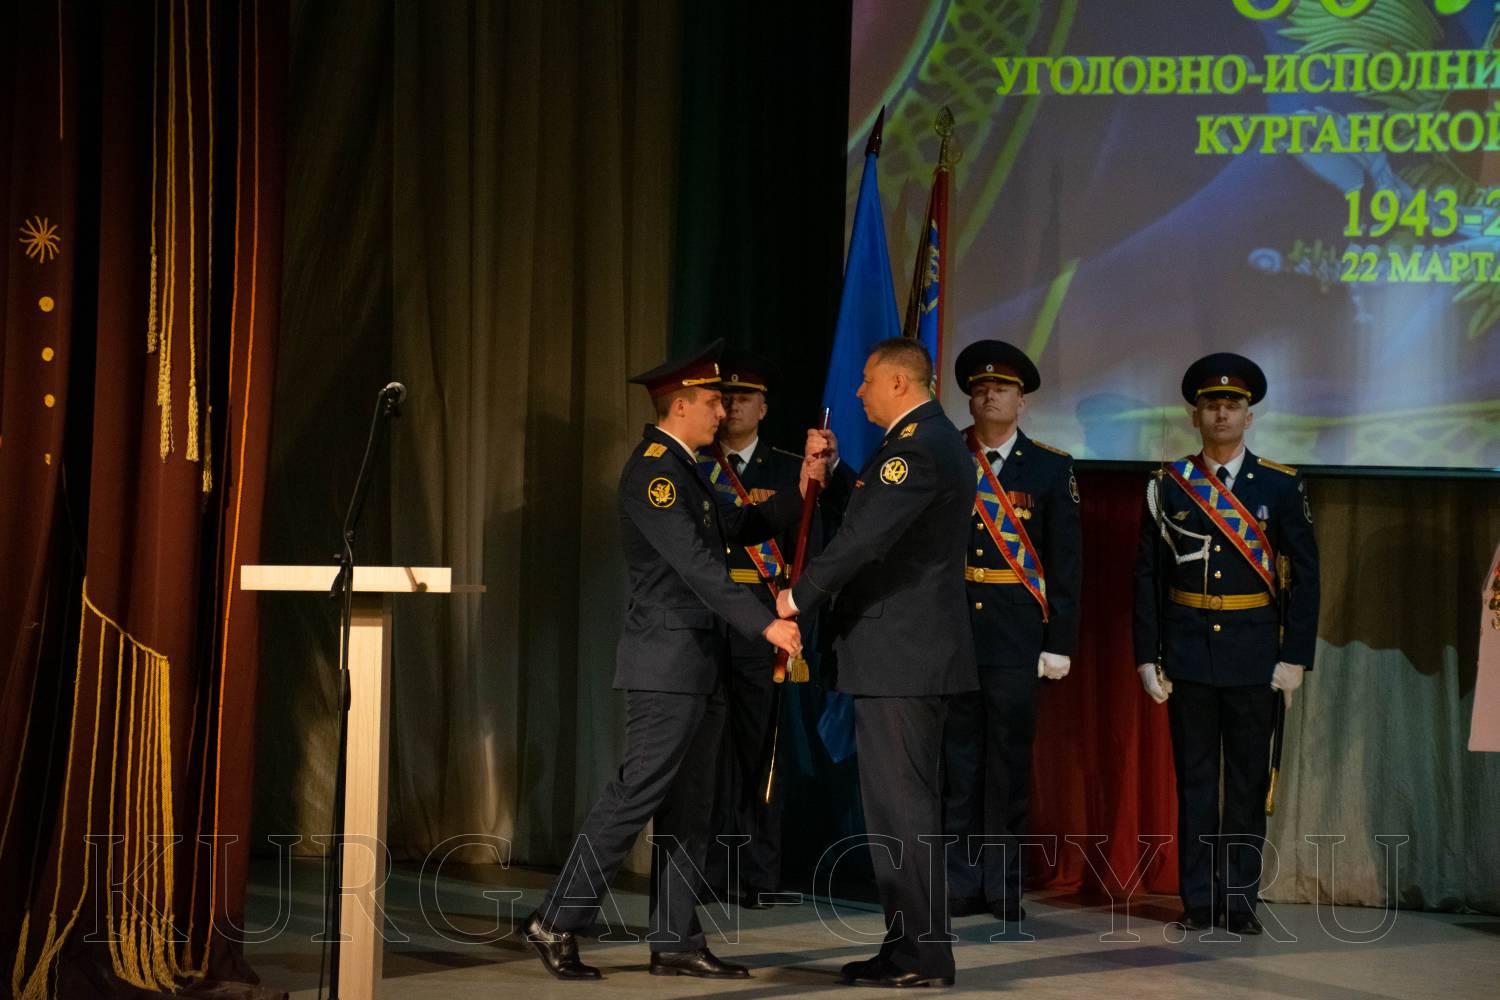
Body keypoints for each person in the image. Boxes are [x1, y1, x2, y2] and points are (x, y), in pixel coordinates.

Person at [524, 340, 821, 980]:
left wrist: (801, 491)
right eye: (713, 400)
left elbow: (734, 527)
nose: (723, 410)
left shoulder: (688, 469)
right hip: (668, 661)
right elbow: (696, 566)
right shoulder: (655, 473)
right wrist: (764, 621)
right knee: (637, 793)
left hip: (698, 659)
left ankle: (677, 938)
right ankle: (556, 918)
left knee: (691, 805)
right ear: (680, 404)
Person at [775, 337, 978, 988]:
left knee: (904, 811)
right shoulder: (923, 442)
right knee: (895, 811)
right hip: (901, 655)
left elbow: (866, 539)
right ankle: (908, 948)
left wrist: (798, 594)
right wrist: (835, 474)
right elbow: (879, 515)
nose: (858, 391)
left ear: (898, 382)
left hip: (904, 656)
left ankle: (923, 955)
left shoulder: (918, 447)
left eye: (867, 380)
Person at [1132, 352, 1320, 935]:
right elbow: (1148, 576)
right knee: (1194, 785)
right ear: (1195, 415)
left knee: (1245, 785)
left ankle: (1239, 901)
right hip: (1188, 653)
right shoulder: (1168, 485)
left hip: (1254, 656)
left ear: (1248, 416)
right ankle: (1197, 900)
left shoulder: (1280, 485)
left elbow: (1306, 575)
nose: (1221, 413)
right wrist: (1146, 655)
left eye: (1232, 405)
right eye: (1211, 405)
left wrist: (1295, 657)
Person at [942, 340, 1081, 923]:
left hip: (1017, 638)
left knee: (1006, 768)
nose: (989, 395)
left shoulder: (1049, 467)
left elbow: (1066, 562)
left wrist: (1059, 643)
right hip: (953, 634)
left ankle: (1002, 886)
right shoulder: (946, 455)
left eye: (1001, 388)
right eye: (979, 388)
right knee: (957, 765)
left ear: (1021, 402)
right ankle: (957, 883)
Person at [697, 348, 808, 908]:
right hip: (706, 620)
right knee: (708, 755)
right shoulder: (694, 465)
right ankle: (710, 870)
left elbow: (811, 552)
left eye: (744, 397)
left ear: (763, 408)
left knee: (761, 752)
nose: (733, 406)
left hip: (767, 623)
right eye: (726, 396)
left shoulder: (790, 470)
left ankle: (759, 874)